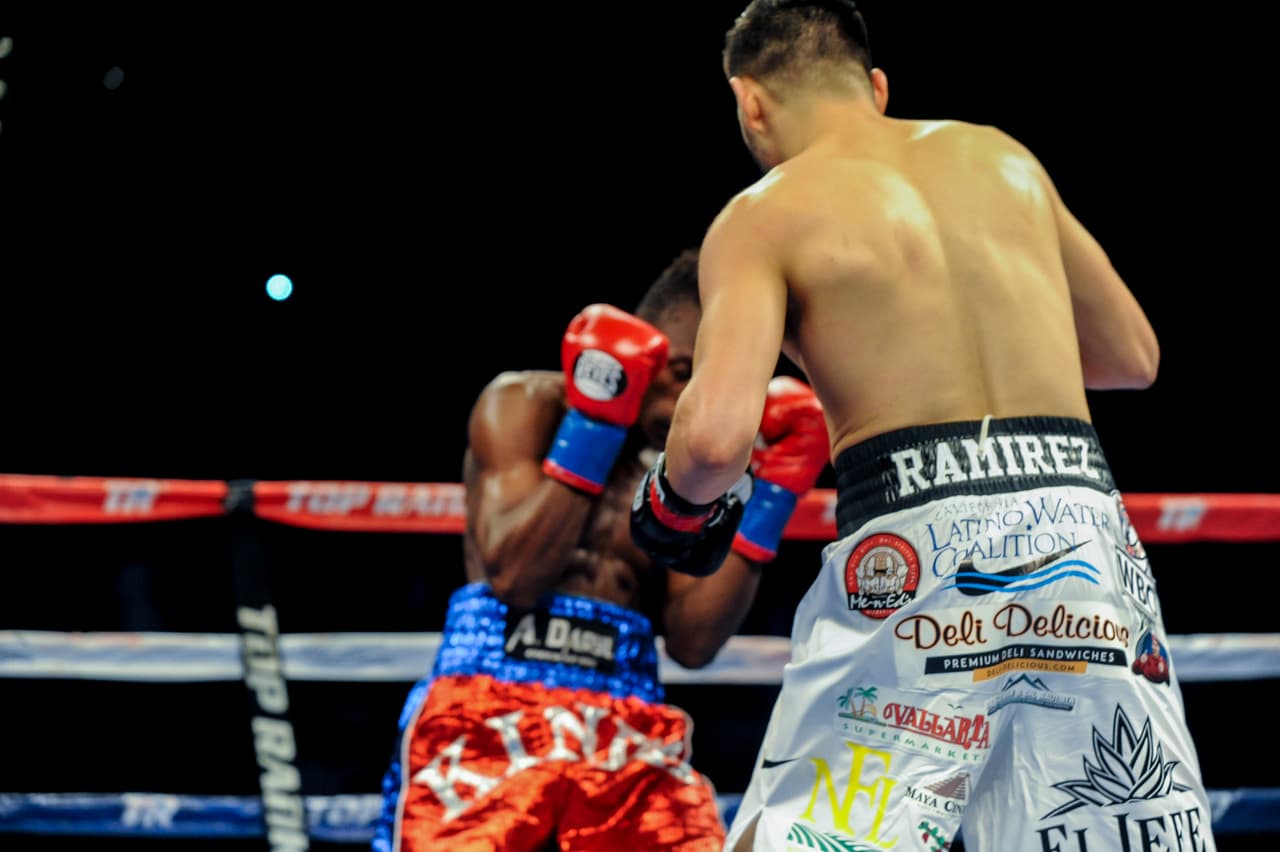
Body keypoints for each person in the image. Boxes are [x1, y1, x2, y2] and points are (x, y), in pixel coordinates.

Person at [629, 3, 1217, 851]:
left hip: (917, 549)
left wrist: (673, 505)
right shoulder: (1002, 157)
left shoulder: (761, 215)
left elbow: (716, 441)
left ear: (749, 101)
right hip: (1085, 538)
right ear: (875, 87)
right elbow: (1132, 355)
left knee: (807, 834)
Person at [372, 248, 831, 851]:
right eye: (685, 373)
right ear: (651, 348)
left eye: (712, 384)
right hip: (488, 705)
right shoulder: (528, 404)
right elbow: (513, 577)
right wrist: (597, 422)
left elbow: (694, 643)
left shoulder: (694, 465)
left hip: (627, 727)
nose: (694, 401)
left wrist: (770, 495)